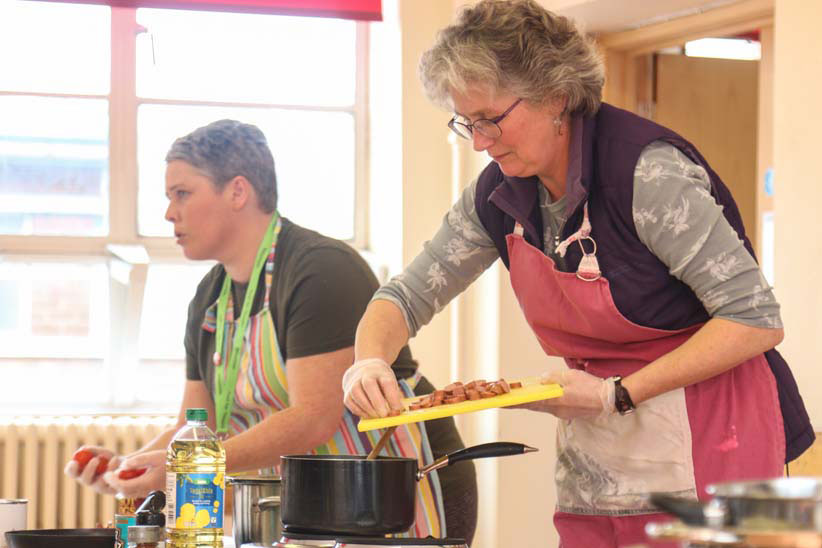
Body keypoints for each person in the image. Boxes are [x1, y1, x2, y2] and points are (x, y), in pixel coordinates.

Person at [341, 1, 814, 546]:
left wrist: (618, 394)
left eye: (490, 118)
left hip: (713, 431)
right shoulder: (497, 195)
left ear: (556, 96)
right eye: (466, 123)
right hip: (600, 444)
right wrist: (368, 360)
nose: (479, 141)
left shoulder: (647, 173)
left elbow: (754, 320)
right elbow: (406, 296)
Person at [64, 119, 478, 543]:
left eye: (182, 193)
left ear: (237, 191)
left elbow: (314, 417)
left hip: (401, 491)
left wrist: (185, 467)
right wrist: (130, 466)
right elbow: (196, 426)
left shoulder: (320, 270)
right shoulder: (209, 299)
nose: (170, 213)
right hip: (315, 506)